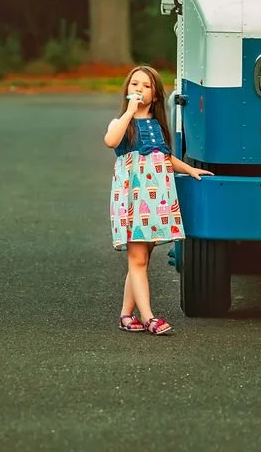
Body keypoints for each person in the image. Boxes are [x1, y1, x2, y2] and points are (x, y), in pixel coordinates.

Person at [103, 65, 213, 335]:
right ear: (126, 90)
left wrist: (189, 168)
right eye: (134, 84)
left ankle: (126, 315)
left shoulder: (156, 126)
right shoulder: (122, 123)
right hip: (134, 196)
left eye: (146, 86)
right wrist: (130, 112)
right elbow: (110, 140)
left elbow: (163, 157)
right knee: (138, 258)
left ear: (155, 96)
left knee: (141, 258)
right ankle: (149, 317)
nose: (139, 89)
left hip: (155, 199)